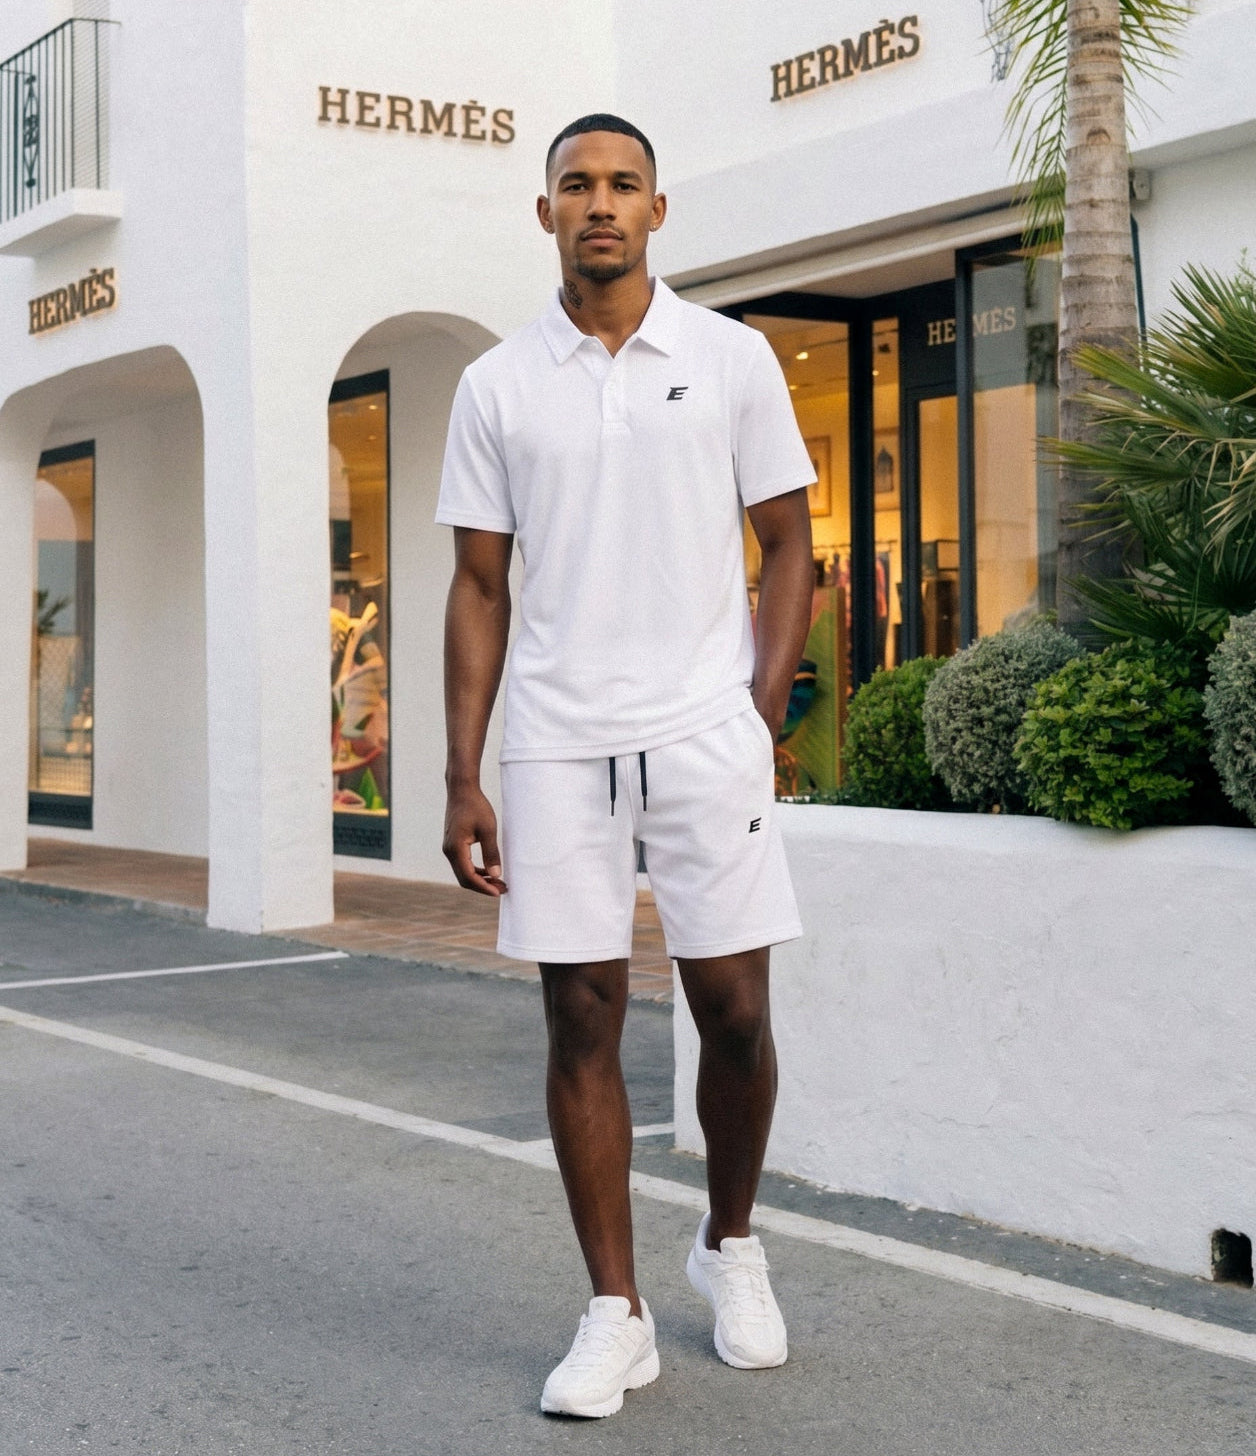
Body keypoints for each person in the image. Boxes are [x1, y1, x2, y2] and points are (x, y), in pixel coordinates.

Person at [437, 113, 815, 1419]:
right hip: (556, 741)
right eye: (576, 187)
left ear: (659, 210)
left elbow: (787, 543)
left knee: (737, 1012)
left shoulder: (732, 358)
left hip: (705, 736)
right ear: (544, 213)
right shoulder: (495, 384)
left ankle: (732, 1244)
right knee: (582, 1015)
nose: (600, 204)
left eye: (623, 186)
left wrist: (756, 712)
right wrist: (460, 772)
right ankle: (618, 1311)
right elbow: (479, 586)